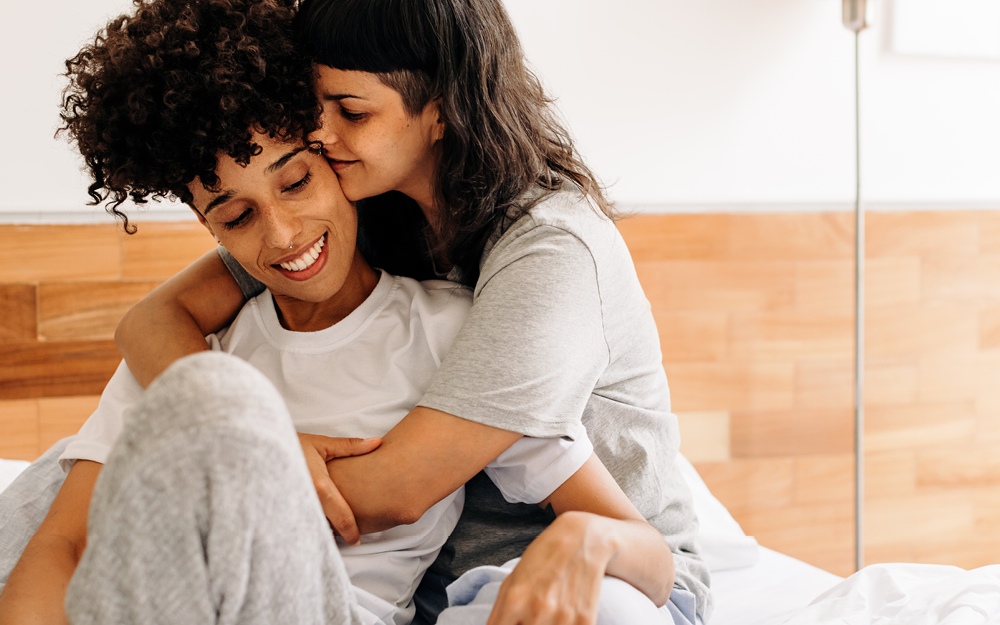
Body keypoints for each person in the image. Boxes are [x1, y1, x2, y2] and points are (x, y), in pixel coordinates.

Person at [0, 1, 682, 624]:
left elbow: (402, 484)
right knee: (80, 472)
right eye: (236, 216)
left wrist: (241, 461)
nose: (283, 232)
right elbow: (153, 319)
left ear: (440, 108)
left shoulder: (527, 268)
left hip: (565, 567)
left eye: (348, 116)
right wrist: (213, 439)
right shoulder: (358, 206)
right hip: (423, 582)